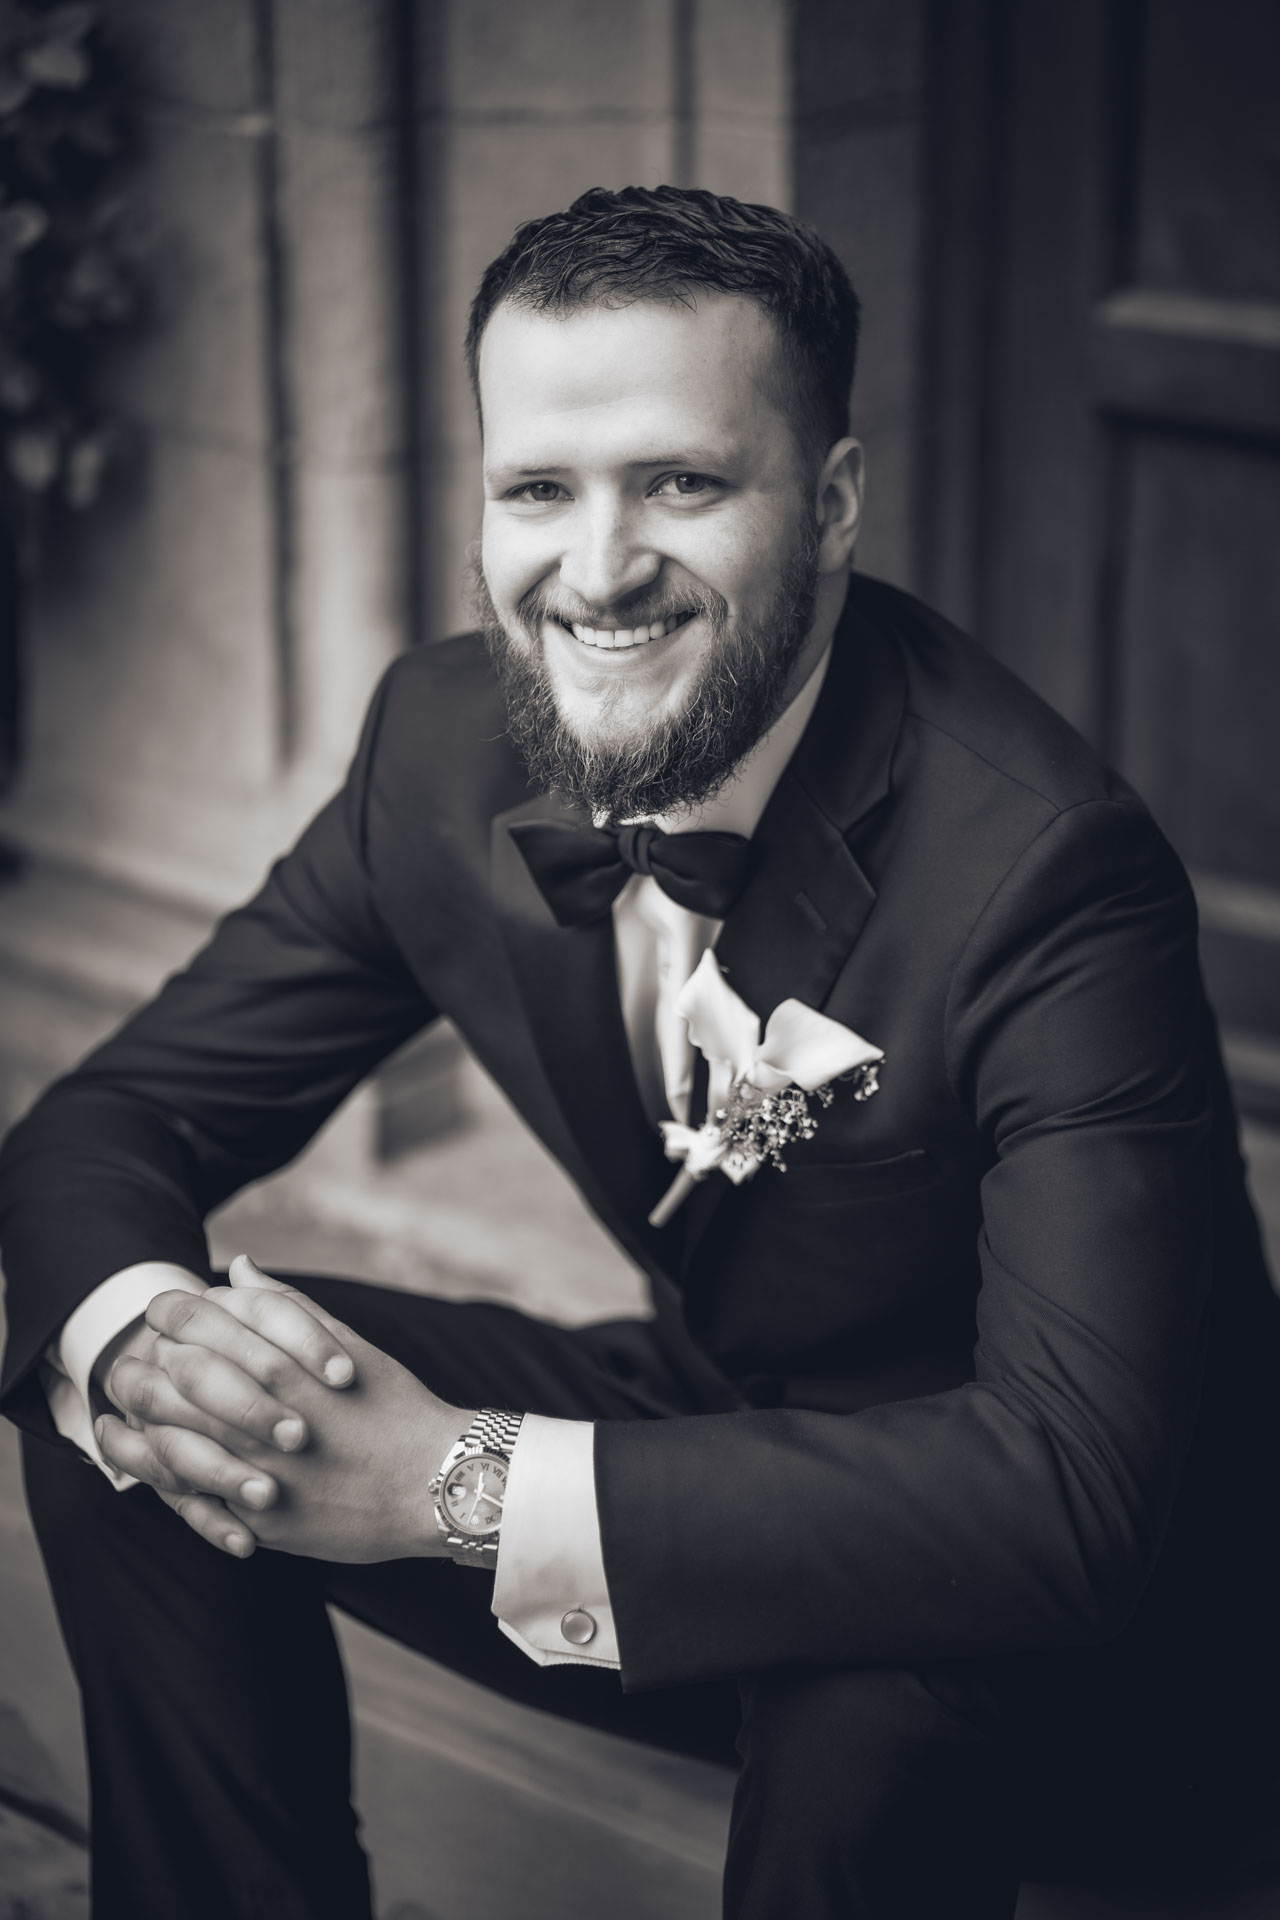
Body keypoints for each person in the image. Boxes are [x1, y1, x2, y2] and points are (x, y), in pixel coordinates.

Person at [2, 184, 1278, 1920]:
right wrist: (149, 1340)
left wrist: (449, 1487)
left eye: (681, 482)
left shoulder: (1051, 871)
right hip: (716, 1424)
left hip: (1074, 1606)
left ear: (831, 503)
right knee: (163, 1414)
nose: (595, 571)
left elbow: (1066, 1500)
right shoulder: (439, 748)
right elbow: (115, 1117)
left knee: (861, 1725)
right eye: (539, 488)